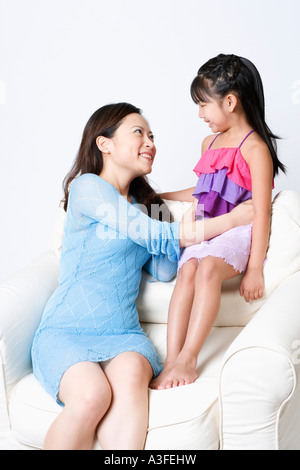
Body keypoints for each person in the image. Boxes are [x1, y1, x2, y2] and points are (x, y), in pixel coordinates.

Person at [31, 102, 253, 450]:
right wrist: (232, 219)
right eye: (139, 133)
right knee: (92, 395)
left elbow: (164, 270)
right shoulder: (87, 188)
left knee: (133, 373)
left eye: (152, 136)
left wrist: (174, 218)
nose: (150, 142)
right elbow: (152, 236)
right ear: (104, 144)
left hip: (124, 335)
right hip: (67, 330)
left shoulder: (143, 207)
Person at [150, 54, 286, 391]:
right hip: (209, 226)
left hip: (237, 230)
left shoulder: (255, 149)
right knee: (188, 272)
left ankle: (189, 359)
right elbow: (202, 193)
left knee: (208, 268)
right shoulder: (208, 144)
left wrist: (254, 268)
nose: (199, 114)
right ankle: (171, 360)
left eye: (203, 105)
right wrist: (161, 195)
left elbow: (261, 210)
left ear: (230, 101)